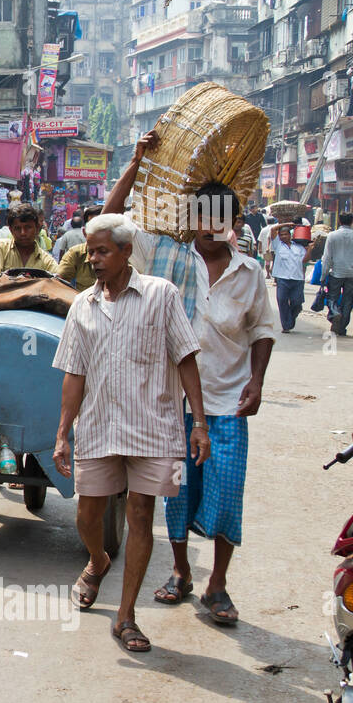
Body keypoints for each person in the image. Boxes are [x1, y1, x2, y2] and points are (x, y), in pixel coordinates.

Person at [106, 131, 279, 627]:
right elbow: (110, 219)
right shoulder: (165, 255)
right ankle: (180, 571)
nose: (209, 228)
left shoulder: (250, 274)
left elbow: (263, 330)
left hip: (225, 403)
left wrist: (258, 380)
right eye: (201, 218)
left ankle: (217, 584)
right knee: (175, 492)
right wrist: (137, 161)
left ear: (234, 224)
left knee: (226, 492)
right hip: (169, 405)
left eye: (219, 220)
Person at [52, 213, 209, 655]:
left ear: (126, 252)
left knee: (141, 514)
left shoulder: (161, 295)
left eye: (103, 251)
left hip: (153, 426)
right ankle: (98, 559)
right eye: (90, 251)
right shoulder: (83, 304)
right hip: (99, 425)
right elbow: (73, 373)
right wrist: (63, 432)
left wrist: (198, 423)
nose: (94, 259)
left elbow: (186, 358)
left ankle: (126, 617)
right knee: (88, 515)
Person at [0, 203, 59, 287]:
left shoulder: (47, 261)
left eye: (28, 227)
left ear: (37, 228)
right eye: (17, 228)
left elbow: (59, 281)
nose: (23, 233)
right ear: (11, 230)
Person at [323, 212, 353, 335]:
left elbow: (327, 257)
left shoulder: (332, 236)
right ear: (352, 222)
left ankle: (335, 314)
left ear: (339, 221)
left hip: (336, 273)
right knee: (348, 301)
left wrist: (323, 275)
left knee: (332, 298)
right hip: (352, 274)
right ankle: (342, 327)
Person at [269, 223, 313, 332]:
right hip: (282, 279)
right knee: (282, 301)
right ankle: (286, 326)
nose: (283, 236)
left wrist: (310, 249)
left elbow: (305, 260)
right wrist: (288, 224)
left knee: (297, 302)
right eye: (281, 235)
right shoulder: (277, 245)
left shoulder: (299, 247)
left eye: (285, 234)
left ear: (290, 235)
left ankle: (292, 317)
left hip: (297, 279)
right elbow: (273, 229)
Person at [56, 206, 103, 291]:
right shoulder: (75, 253)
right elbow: (58, 282)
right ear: (85, 232)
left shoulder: (120, 254)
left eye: (103, 228)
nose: (99, 233)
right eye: (94, 228)